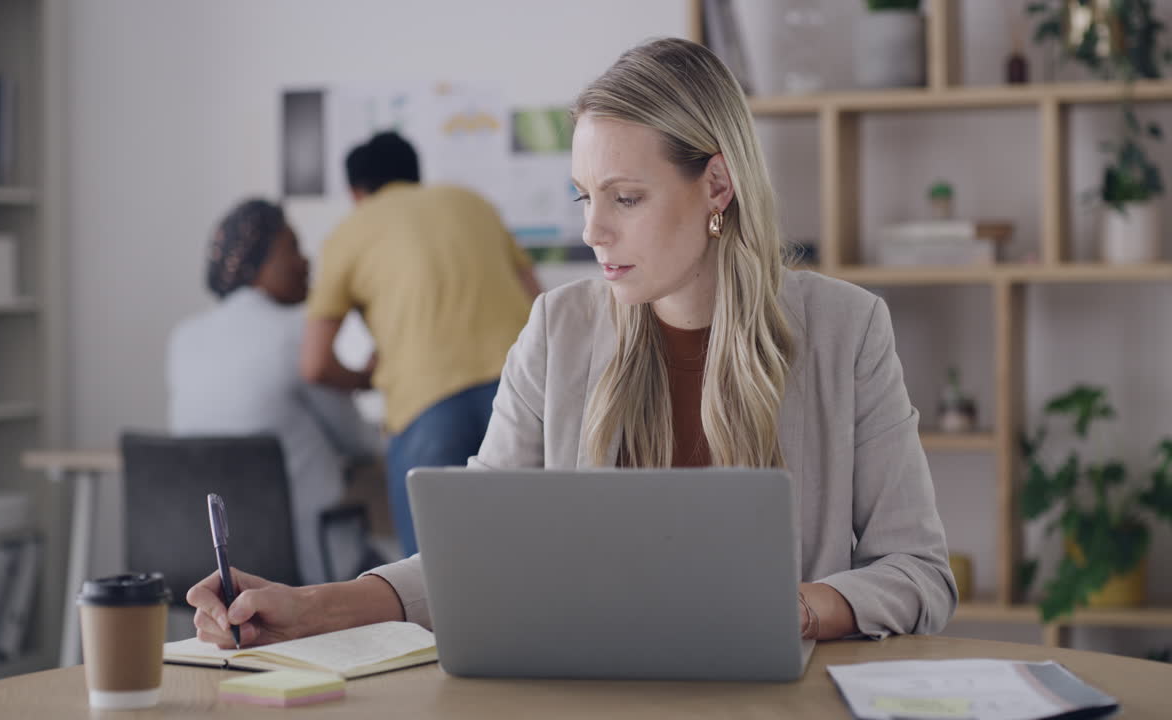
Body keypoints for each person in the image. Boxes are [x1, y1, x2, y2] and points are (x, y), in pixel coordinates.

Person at [189, 38, 957, 649]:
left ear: (717, 187)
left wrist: (799, 609)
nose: (593, 231)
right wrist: (309, 607)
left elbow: (919, 573)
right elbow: (471, 558)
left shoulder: (847, 328)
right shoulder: (558, 329)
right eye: (585, 198)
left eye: (625, 198)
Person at [300, 131, 542, 556]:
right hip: (519, 393)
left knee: (431, 576)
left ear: (356, 192)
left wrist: (367, 376)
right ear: (415, 175)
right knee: (527, 554)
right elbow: (538, 300)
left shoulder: (350, 232)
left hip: (425, 406)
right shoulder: (472, 204)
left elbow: (314, 364)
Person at [168, 198, 383, 585]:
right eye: (293, 250)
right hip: (310, 562)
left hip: (218, 568)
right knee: (400, 575)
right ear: (254, 265)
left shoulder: (184, 340)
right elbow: (357, 442)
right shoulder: (296, 332)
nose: (307, 262)